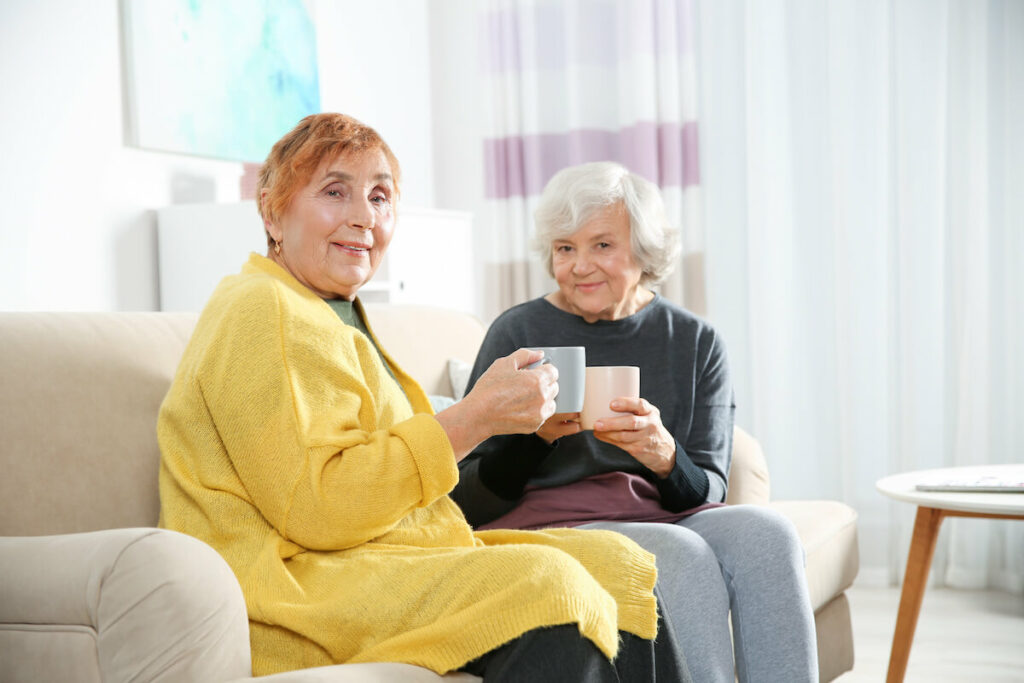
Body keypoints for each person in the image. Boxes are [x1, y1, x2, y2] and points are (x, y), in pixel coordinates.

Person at [157, 114, 691, 682]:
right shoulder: (262, 309)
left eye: (380, 196)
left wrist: (494, 424)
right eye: (336, 191)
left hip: (377, 558)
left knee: (619, 567)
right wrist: (473, 418)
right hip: (297, 584)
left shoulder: (328, 310)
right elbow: (319, 508)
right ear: (271, 210)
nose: (364, 216)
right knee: (546, 585)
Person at [451, 161, 818, 682]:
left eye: (602, 245)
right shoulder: (519, 331)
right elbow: (462, 496)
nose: (579, 266)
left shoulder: (694, 342)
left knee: (770, 533)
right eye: (565, 248)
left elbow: (709, 489)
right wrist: (533, 443)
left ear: (644, 251)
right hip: (544, 523)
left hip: (659, 513)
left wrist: (665, 457)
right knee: (683, 553)